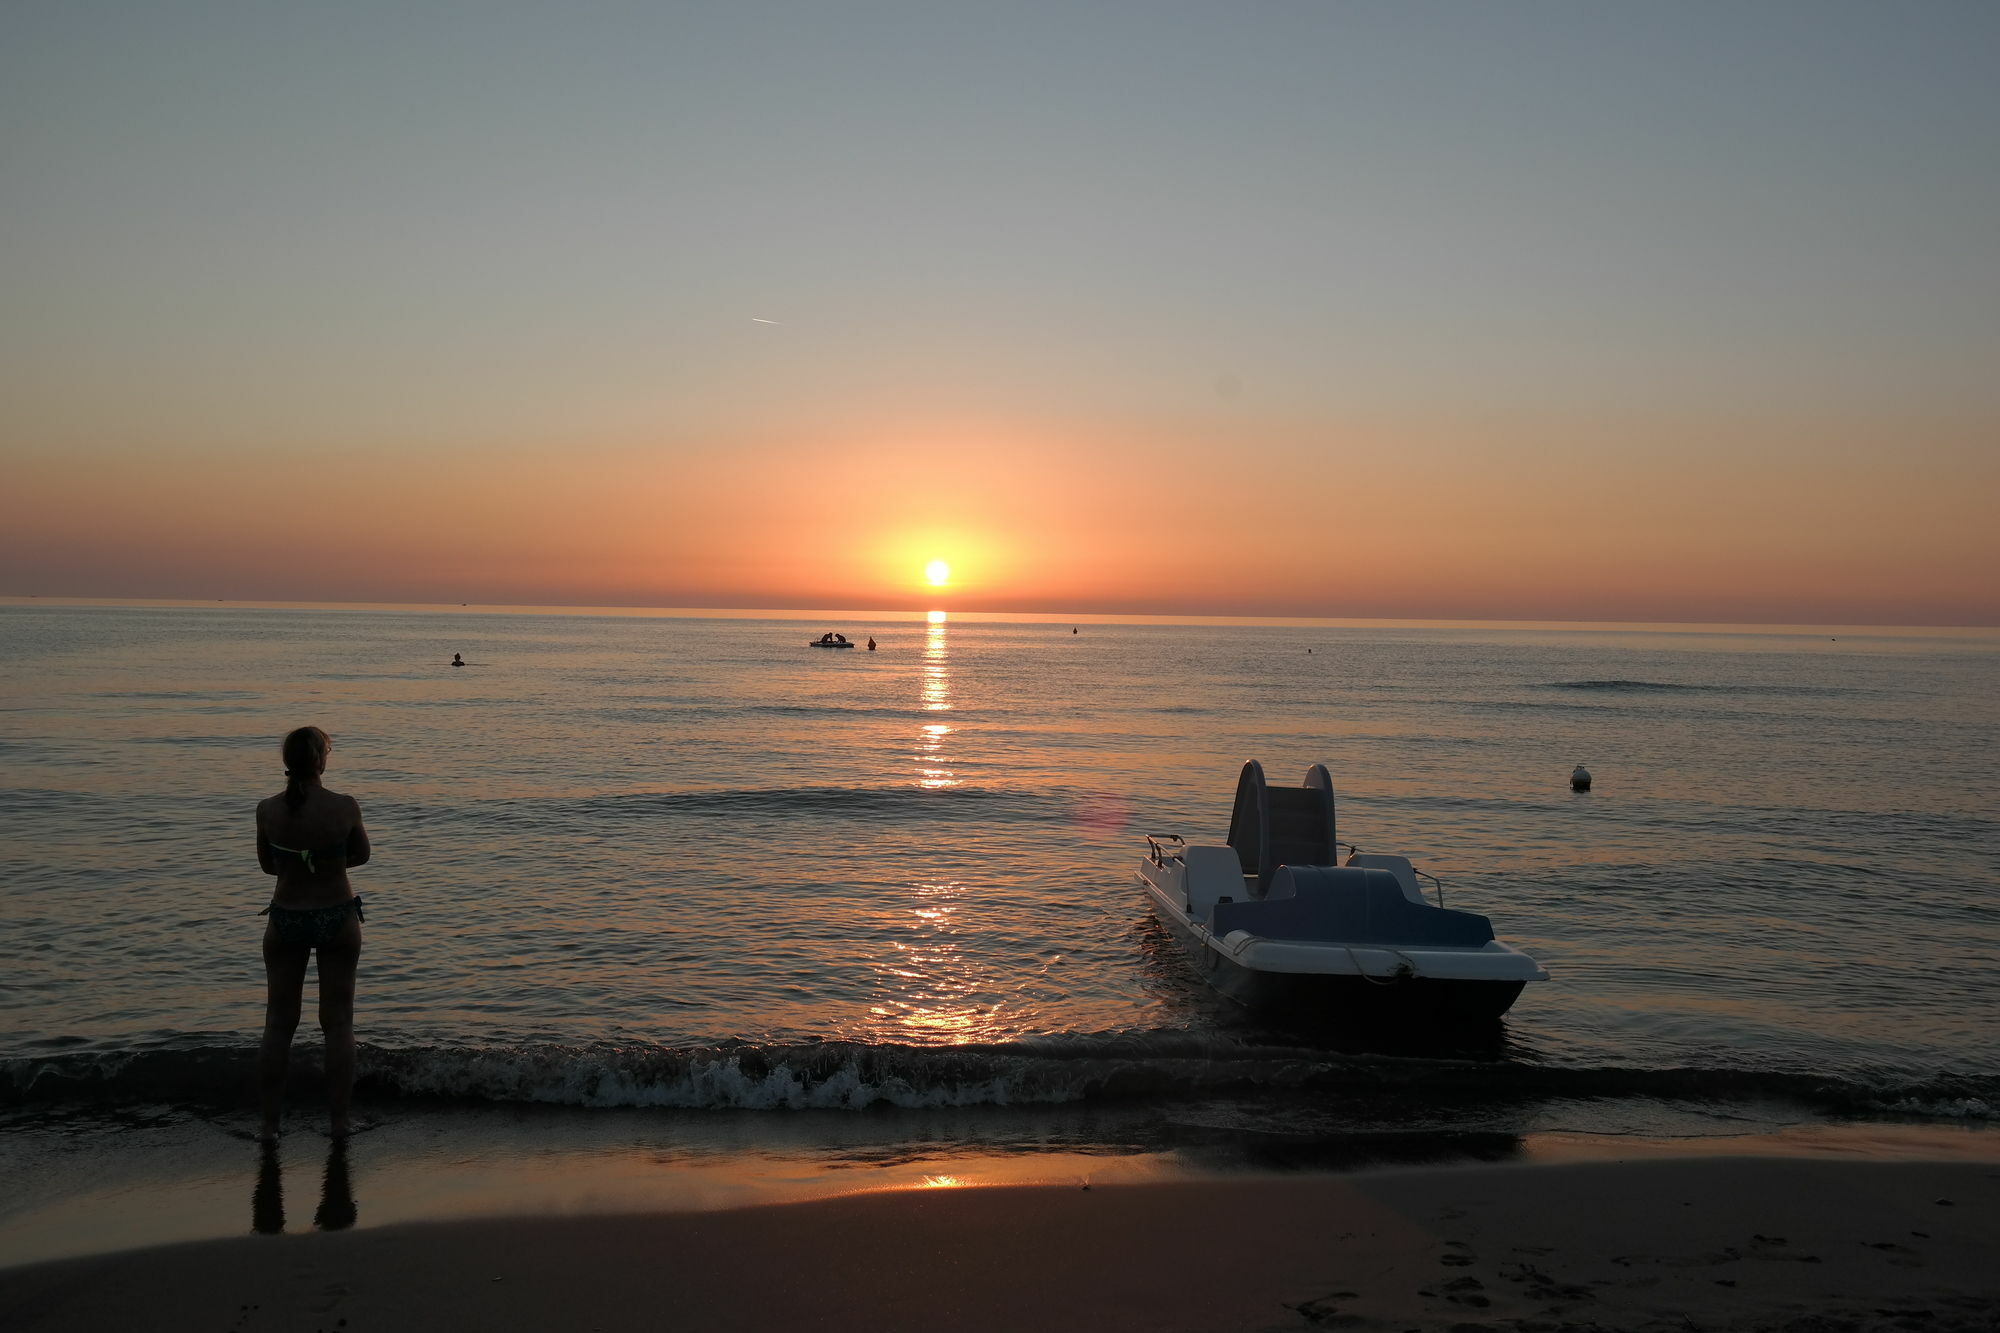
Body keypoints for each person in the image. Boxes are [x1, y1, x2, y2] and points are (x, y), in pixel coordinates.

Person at [254, 726, 371, 1140]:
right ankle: (339, 1123)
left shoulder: (267, 809)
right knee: (338, 1024)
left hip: (286, 917)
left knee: (278, 1024)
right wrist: (326, 864)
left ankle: (269, 1126)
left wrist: (299, 864)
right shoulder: (344, 806)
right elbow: (362, 855)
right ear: (321, 760)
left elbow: (268, 865)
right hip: (336, 916)